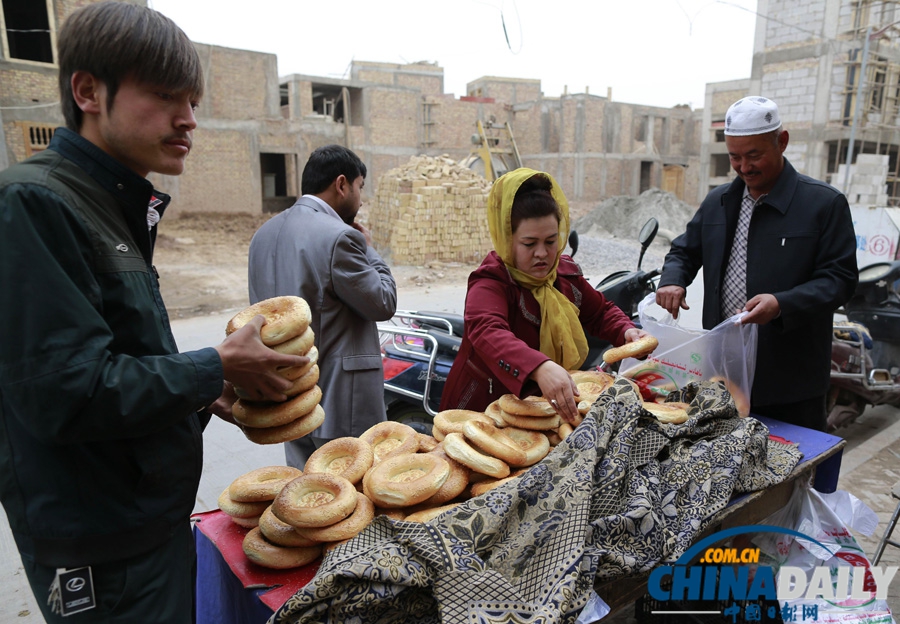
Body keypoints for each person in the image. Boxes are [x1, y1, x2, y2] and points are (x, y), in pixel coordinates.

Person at [0, 3, 308, 622]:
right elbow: (65, 391)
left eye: (192, 100)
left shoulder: (111, 205)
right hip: (102, 552)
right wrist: (210, 367)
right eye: (167, 96)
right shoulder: (35, 204)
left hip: (148, 527)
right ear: (88, 90)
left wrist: (200, 394)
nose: (188, 120)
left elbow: (121, 361)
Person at [656, 96, 858, 431]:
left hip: (790, 380)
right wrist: (673, 279)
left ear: (782, 142)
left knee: (793, 472)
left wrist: (782, 304)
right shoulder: (718, 201)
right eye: (735, 157)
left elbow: (840, 280)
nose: (744, 166)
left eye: (754, 155)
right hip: (724, 373)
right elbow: (684, 250)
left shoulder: (823, 204)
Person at [439, 168, 648, 424]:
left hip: (544, 407)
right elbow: (487, 331)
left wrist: (627, 332)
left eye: (550, 241)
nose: (542, 253)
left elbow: (600, 312)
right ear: (507, 239)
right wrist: (539, 367)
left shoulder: (563, 275)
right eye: (529, 243)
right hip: (483, 408)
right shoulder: (491, 281)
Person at [248, 144, 397, 469]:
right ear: (341, 184)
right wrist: (370, 251)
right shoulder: (340, 237)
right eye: (359, 187)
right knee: (349, 503)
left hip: (292, 400)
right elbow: (383, 302)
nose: (360, 198)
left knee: (309, 496)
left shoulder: (263, 236)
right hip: (343, 402)